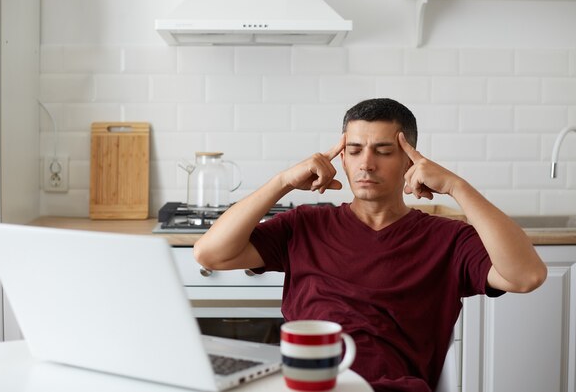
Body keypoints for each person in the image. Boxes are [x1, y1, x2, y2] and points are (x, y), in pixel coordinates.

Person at [194, 98, 547, 392]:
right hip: (303, 384)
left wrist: (456, 186)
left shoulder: (448, 239)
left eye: (383, 151)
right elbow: (210, 253)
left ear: (411, 161)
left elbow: (526, 276)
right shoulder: (304, 224)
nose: (366, 163)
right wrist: (283, 181)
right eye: (354, 150)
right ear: (341, 159)